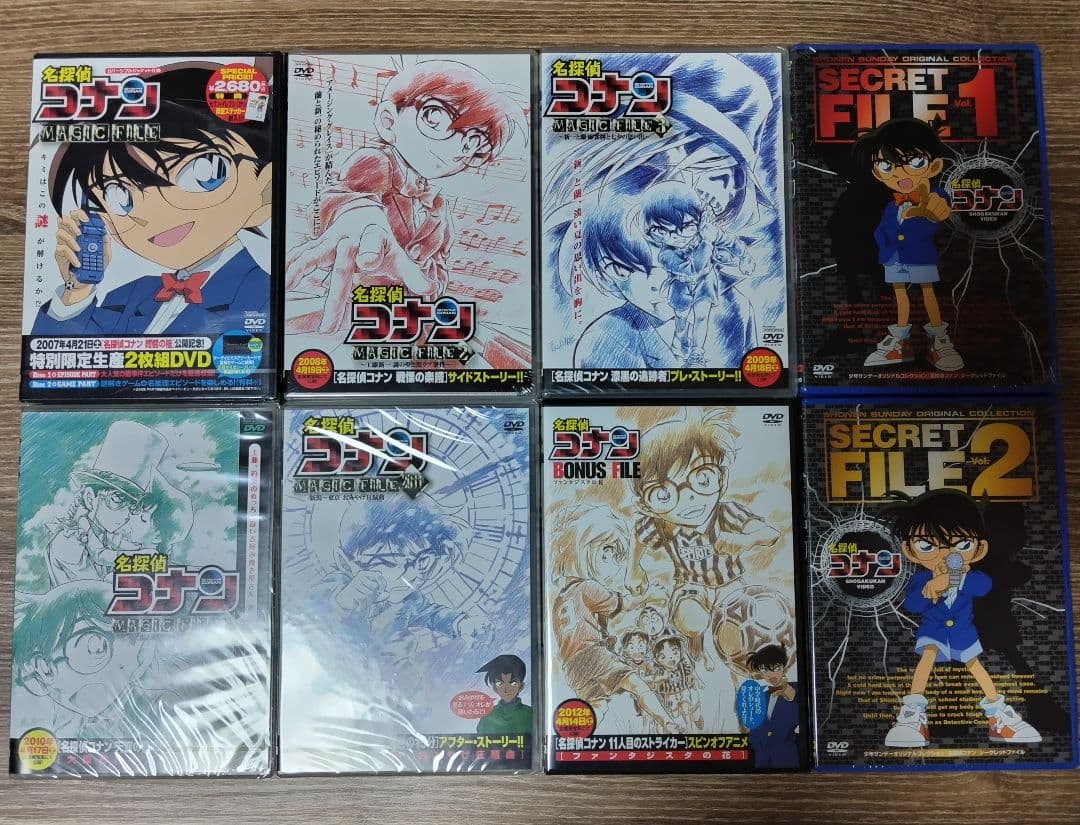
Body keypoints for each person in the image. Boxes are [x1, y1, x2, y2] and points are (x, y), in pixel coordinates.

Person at [285, 59, 522, 333]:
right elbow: (349, 198)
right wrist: (359, 219)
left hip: (412, 317)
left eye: (476, 142)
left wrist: (432, 288)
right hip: (358, 312)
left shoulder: (438, 205)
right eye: (435, 116)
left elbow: (438, 259)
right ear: (388, 121)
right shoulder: (377, 162)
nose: (459, 147)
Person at [34, 65, 272, 337]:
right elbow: (57, 357)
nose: (150, 211)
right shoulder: (127, 296)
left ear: (264, 187)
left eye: (203, 173)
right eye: (119, 197)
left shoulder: (266, 296)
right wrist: (77, 290)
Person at [882, 489, 1040, 747]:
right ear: (909, 549)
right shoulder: (921, 578)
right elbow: (912, 604)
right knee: (927, 660)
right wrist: (931, 587)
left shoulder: (972, 576)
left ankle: (999, 717)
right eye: (927, 545)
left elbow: (983, 586)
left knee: (975, 667)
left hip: (964, 635)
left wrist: (951, 578)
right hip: (933, 632)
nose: (945, 554)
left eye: (961, 544)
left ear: (979, 549)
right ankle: (912, 717)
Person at [631, 414, 778, 671]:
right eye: (664, 493)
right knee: (692, 620)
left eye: (702, 479)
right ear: (646, 505)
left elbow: (769, 532)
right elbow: (639, 537)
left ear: (721, 478)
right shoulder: (660, 524)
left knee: (735, 638)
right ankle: (696, 648)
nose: (688, 498)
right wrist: (633, 570)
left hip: (730, 584)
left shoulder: (725, 513)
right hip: (690, 585)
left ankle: (732, 665)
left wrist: (745, 539)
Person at [853, 117, 963, 371]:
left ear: (934, 166)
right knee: (900, 296)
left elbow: (939, 209)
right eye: (886, 165)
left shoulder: (934, 195)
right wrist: (884, 248)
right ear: (877, 172)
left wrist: (933, 209)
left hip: (920, 255)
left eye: (914, 163)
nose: (900, 173)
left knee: (927, 293)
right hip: (894, 257)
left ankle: (939, 340)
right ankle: (900, 344)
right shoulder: (892, 205)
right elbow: (883, 229)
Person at [45, 420, 193, 586]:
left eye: (133, 506)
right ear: (90, 498)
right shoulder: (68, 543)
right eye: (118, 499)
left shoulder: (106, 534)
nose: (126, 516)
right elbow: (97, 592)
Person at [572, 197, 678, 369]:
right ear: (607, 279)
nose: (657, 283)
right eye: (624, 269)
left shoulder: (719, 310)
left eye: (670, 261)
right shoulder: (604, 340)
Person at [745, 644, 799, 768]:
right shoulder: (759, 695)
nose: (770, 675)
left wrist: (789, 695)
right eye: (764, 670)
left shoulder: (796, 688)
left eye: (776, 668)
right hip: (761, 761)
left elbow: (796, 713)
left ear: (784, 667)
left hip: (787, 760)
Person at [475, 654, 532, 735]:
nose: (506, 689)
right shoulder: (487, 716)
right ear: (494, 687)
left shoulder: (530, 714)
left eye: (513, 683)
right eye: (500, 683)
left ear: (521, 686)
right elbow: (480, 739)